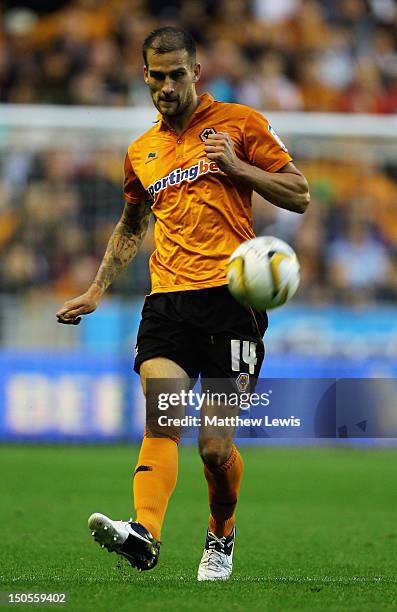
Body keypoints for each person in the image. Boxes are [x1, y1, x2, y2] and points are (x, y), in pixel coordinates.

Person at [56, 26, 310, 581]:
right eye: (157, 75)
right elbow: (131, 224)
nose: (167, 86)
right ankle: (145, 533)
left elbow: (300, 193)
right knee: (162, 414)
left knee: (215, 450)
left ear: (196, 72)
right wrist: (98, 289)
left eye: (177, 74)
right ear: (144, 75)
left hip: (232, 302)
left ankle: (221, 534)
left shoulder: (240, 124)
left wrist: (239, 169)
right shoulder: (141, 151)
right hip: (167, 300)